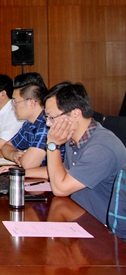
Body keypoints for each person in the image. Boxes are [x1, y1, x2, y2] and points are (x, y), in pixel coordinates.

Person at [31, 82, 126, 226]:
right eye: (47, 118)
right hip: (79, 215)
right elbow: (64, 171)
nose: (48, 124)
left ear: (75, 113)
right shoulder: (75, 138)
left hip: (102, 229)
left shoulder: (101, 148)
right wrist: (19, 173)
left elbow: (60, 189)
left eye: (52, 117)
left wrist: (53, 145)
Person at [1, 73, 52, 169]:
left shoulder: (47, 123)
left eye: (15, 102)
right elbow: (6, 146)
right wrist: (14, 155)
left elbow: (28, 164)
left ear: (31, 103)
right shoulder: (29, 124)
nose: (13, 106)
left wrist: (23, 158)